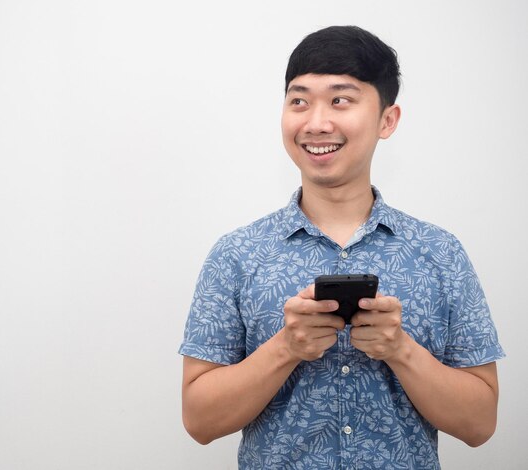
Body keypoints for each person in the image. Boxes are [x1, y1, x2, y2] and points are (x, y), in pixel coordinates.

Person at [179, 25, 504, 469]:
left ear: (387, 120)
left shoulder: (440, 253)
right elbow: (199, 421)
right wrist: (286, 348)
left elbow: (480, 424)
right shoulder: (236, 255)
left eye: (340, 100)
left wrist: (400, 349)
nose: (316, 122)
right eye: (299, 100)